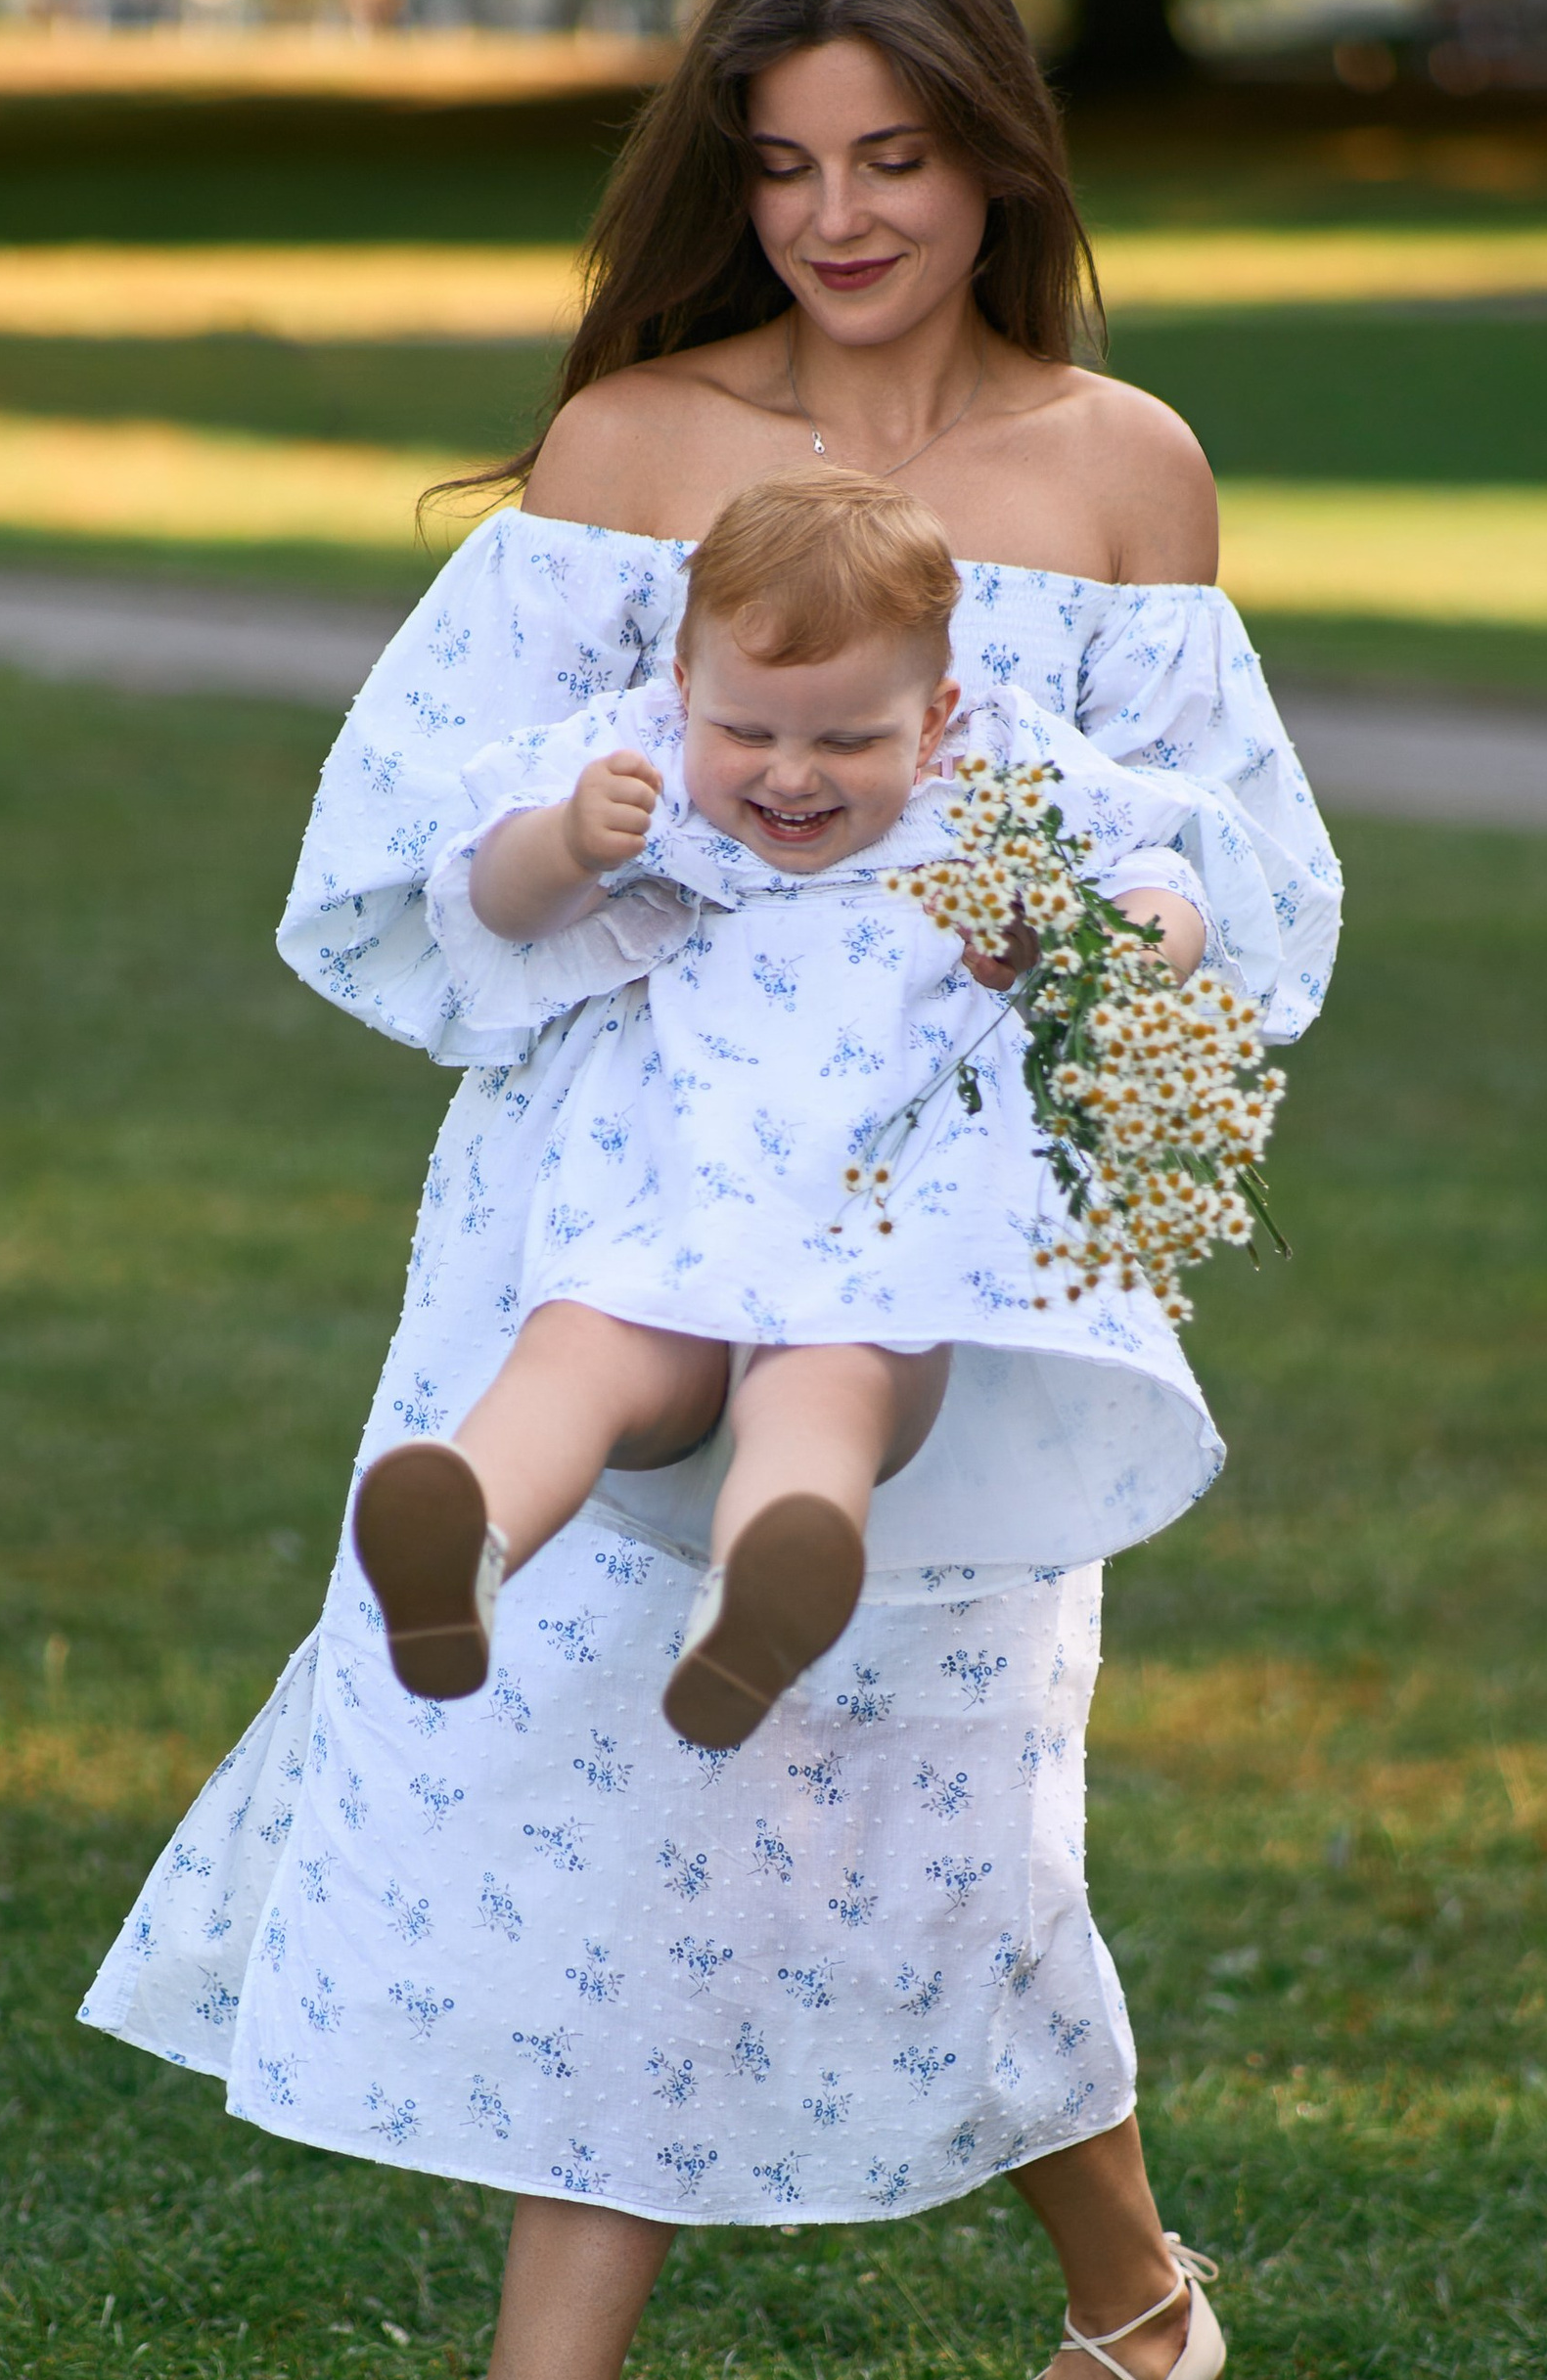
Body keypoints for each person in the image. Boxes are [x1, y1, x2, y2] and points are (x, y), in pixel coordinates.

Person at [81, 0, 1342, 2380]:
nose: (838, 218)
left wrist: (1062, 963)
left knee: (925, 1811)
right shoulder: (632, 447)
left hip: (939, 1235)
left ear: (997, 156)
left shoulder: (1123, 473)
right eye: (779, 166)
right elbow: (437, 826)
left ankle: (1136, 2306)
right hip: (616, 1212)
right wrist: (615, 827)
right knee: (599, 1774)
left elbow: (1210, 879)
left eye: (893, 156)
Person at [353, 464, 1221, 1754]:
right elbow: (486, 906)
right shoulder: (632, 761)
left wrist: (1090, 944)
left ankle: (768, 1587)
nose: (792, 778)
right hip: (669, 1199)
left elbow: (1170, 887)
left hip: (880, 1232)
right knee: (575, 1355)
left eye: (849, 742)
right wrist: (565, 844)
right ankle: (462, 1534)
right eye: (749, 734)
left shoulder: (1000, 781)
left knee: (823, 1394)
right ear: (688, 691)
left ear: (937, 720)